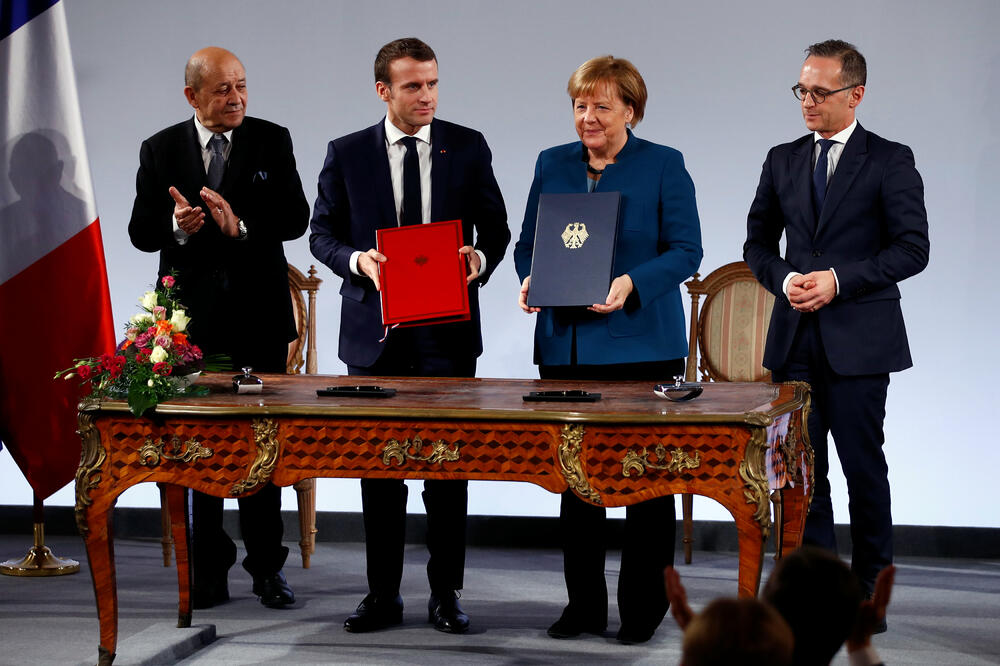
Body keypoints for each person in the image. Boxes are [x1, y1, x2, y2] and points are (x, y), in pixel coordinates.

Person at [309, 37, 509, 634]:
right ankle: (382, 595)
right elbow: (321, 235)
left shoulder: (466, 146)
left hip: (447, 334)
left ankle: (446, 594)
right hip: (375, 337)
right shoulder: (347, 153)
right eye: (413, 86)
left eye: (433, 83)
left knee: (448, 472)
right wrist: (357, 262)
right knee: (379, 472)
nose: (427, 96)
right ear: (384, 90)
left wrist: (478, 259)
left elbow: (496, 228)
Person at [513, 55, 702, 644]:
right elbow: (527, 244)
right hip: (566, 349)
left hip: (642, 347)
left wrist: (632, 284)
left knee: (648, 487)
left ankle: (642, 610)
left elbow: (686, 251)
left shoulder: (664, 164)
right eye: (580, 105)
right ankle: (583, 608)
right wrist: (529, 278)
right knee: (576, 485)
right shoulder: (551, 163)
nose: (587, 117)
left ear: (631, 111)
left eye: (601, 105)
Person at [743, 39, 929, 614]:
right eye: (802, 90)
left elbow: (912, 249)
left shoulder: (889, 159)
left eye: (820, 92)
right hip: (794, 340)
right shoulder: (782, 158)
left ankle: (871, 587)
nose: (808, 101)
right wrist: (786, 279)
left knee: (862, 468)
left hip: (860, 343)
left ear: (856, 94)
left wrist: (838, 281)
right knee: (803, 473)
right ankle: (818, 589)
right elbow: (756, 244)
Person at [129, 46, 309, 609]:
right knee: (196, 447)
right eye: (222, 89)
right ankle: (207, 570)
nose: (236, 98)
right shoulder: (160, 148)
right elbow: (140, 232)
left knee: (262, 443)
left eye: (242, 86)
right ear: (192, 96)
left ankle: (267, 568)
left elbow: (296, 217)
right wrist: (177, 227)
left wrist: (241, 226)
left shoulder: (272, 139)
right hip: (190, 327)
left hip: (258, 320)